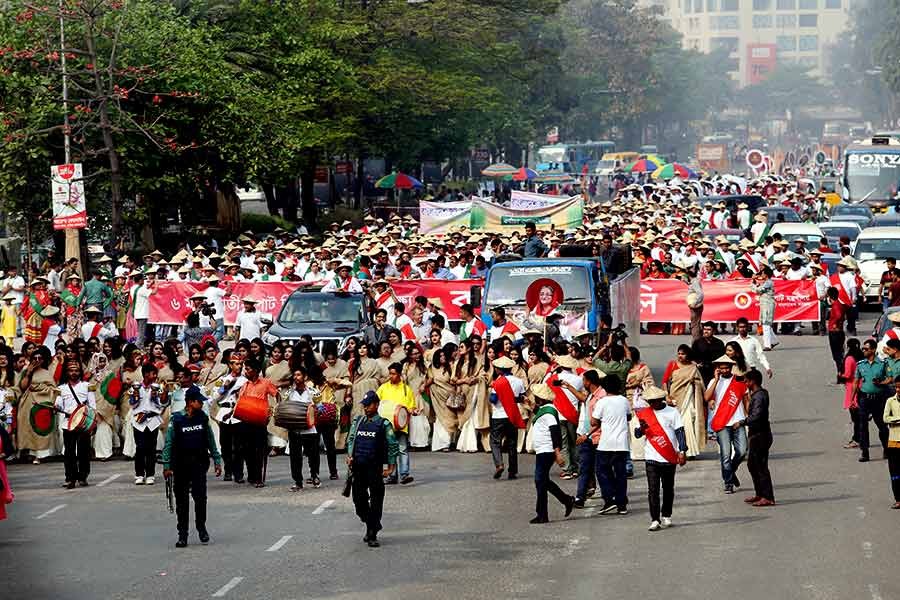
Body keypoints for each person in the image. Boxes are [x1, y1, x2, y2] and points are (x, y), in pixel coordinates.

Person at [162, 385, 223, 548]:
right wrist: (166, 465)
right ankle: (183, 534)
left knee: (200, 498)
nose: (202, 404)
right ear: (190, 402)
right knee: (181, 502)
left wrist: (217, 460)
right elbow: (168, 443)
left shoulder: (202, 417)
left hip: (199, 464)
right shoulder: (177, 419)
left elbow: (210, 439)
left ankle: (201, 528)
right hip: (180, 465)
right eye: (199, 401)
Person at [346, 390, 399, 548]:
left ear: (376, 405)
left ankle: (372, 533)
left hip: (374, 468)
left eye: (369, 405)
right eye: (365, 405)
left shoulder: (384, 424)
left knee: (376, 501)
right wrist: (349, 456)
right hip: (358, 467)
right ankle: (372, 523)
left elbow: (392, 445)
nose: (366, 408)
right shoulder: (358, 421)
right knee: (358, 501)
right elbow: (351, 439)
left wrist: (391, 467)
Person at [633, 385, 687, 531]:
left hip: (669, 456)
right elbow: (637, 434)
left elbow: (680, 432)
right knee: (653, 489)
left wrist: (682, 450)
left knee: (668, 488)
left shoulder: (672, 412)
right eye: (650, 401)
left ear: (661, 399)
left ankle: (666, 515)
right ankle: (655, 519)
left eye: (655, 401)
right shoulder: (644, 413)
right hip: (651, 457)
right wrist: (642, 428)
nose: (652, 404)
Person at [529, 383, 575, 523]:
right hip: (543, 450)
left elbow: (555, 433)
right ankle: (566, 500)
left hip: (547, 450)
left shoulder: (549, 412)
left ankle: (543, 514)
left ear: (541, 399)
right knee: (543, 481)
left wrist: (557, 453)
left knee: (540, 481)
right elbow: (539, 412)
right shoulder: (546, 409)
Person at [704, 355, 748, 494]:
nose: (724, 370)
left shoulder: (739, 381)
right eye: (721, 368)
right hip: (722, 422)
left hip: (737, 420)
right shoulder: (713, 381)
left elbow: (746, 399)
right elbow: (706, 397)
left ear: (731, 367)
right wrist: (716, 380)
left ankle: (730, 472)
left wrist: (748, 417)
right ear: (717, 369)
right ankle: (728, 482)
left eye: (726, 367)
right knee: (725, 455)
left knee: (742, 451)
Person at [591, 373, 632, 515]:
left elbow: (593, 422)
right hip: (621, 443)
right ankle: (621, 504)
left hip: (606, 443)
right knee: (620, 473)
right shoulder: (624, 400)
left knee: (601, 470)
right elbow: (629, 417)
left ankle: (609, 498)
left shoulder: (601, 402)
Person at [55, 359, 96, 488]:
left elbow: (92, 406)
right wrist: (56, 406)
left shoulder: (87, 386)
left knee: (83, 451)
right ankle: (70, 477)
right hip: (68, 422)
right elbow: (58, 404)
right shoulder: (61, 388)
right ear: (67, 372)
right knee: (69, 452)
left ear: (80, 372)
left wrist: (92, 423)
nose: (74, 373)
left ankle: (83, 476)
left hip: (83, 422)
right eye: (71, 370)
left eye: (76, 370)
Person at [236, 358, 277, 487]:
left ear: (256, 371)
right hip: (246, 421)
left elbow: (277, 395)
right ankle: (252, 475)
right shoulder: (245, 385)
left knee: (259, 450)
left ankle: (258, 478)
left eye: (247, 369)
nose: (245, 372)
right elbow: (240, 401)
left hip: (259, 421)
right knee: (247, 450)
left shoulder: (265, 383)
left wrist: (272, 410)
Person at [661, 344, 706, 458]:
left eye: (683, 354)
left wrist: (694, 382)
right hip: (675, 398)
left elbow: (700, 383)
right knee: (675, 424)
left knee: (688, 422)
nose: (680, 356)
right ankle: (676, 449)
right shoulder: (672, 365)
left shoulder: (693, 367)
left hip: (688, 398)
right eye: (679, 353)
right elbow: (665, 381)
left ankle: (689, 450)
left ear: (688, 355)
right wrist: (666, 396)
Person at [376, 362, 417, 485]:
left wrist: (413, 411)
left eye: (393, 374)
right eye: (390, 373)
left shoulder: (406, 390)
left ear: (399, 374)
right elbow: (376, 402)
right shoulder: (383, 387)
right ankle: (392, 475)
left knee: (402, 449)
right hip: (387, 426)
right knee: (390, 450)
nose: (391, 376)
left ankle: (404, 475)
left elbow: (411, 407)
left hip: (401, 425)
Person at [488, 356, 527, 480]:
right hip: (512, 415)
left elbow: (493, 400)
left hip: (499, 415)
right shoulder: (519, 381)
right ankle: (513, 471)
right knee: (512, 444)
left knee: (495, 441)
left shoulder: (498, 382)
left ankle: (499, 464)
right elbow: (521, 398)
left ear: (499, 369)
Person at [129, 363, 168, 485]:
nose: (155, 376)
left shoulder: (158, 387)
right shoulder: (135, 387)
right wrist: (135, 396)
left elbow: (162, 404)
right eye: (153, 374)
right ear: (146, 374)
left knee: (151, 448)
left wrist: (157, 396)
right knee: (140, 448)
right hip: (139, 421)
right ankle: (139, 474)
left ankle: (150, 474)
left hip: (152, 420)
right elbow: (133, 404)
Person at [573, 369, 605, 508]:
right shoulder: (590, 396)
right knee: (584, 468)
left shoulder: (602, 397)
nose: (583, 383)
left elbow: (600, 422)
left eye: (584, 380)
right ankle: (580, 497)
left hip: (597, 437)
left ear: (589, 381)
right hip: (587, 437)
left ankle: (609, 496)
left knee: (601, 469)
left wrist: (587, 434)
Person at [743, 369, 775, 507]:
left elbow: (757, 416)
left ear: (752, 382)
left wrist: (742, 422)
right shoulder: (757, 395)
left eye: (746, 381)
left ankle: (768, 496)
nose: (745, 383)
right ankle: (760, 493)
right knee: (752, 465)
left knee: (761, 466)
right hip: (757, 434)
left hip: (760, 435)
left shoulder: (759, 396)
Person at [855, 339, 890, 463]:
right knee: (862, 426)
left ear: (873, 350)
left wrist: (881, 382)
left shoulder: (882, 364)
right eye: (863, 349)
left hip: (878, 399)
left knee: (882, 426)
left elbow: (890, 378)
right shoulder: (861, 364)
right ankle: (865, 452)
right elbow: (856, 381)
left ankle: (886, 448)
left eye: (866, 349)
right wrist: (853, 399)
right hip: (864, 398)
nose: (863, 350)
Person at [286, 367, 320, 491]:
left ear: (305, 377)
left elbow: (319, 408)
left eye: (299, 375)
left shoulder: (313, 392)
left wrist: (314, 412)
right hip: (294, 429)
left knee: (313, 455)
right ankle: (298, 481)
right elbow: (284, 408)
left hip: (310, 429)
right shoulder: (288, 393)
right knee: (295, 457)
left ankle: (315, 475)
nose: (296, 377)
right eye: (294, 375)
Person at [750, 267, 779, 351]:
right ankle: (774, 341)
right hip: (765, 304)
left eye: (762, 273)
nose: (761, 275)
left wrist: (752, 283)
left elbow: (758, 291)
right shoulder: (766, 282)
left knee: (766, 324)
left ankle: (767, 345)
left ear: (766, 275)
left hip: (768, 304)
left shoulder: (768, 282)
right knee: (766, 324)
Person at [882, 380, 900, 509]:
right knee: (894, 472)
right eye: (897, 387)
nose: (898, 389)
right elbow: (885, 418)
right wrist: (897, 420)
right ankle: (898, 499)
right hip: (894, 441)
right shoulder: (890, 401)